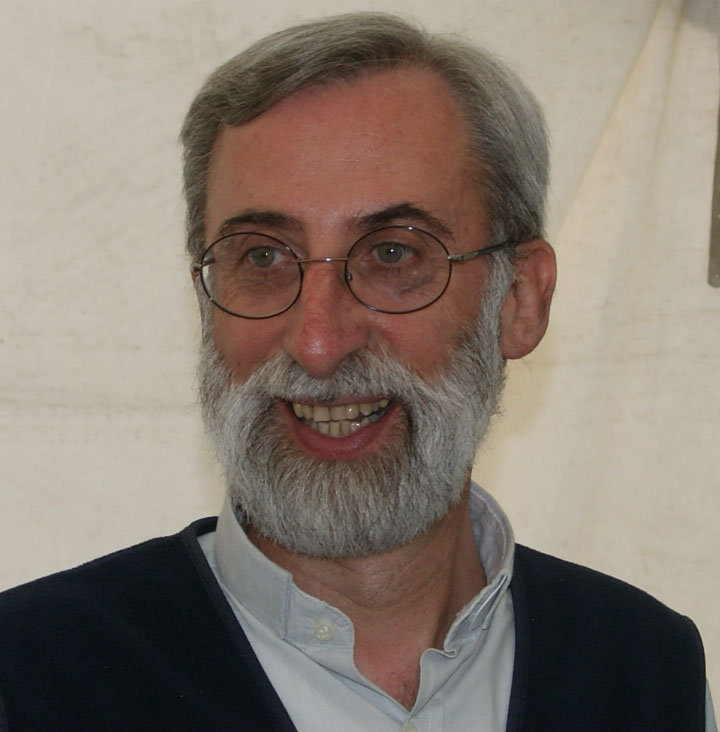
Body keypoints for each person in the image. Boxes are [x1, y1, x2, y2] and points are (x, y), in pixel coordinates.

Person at [0, 12, 714, 732]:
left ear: (520, 300)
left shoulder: (647, 671)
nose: (318, 342)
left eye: (393, 254)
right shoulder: (30, 676)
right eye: (262, 257)